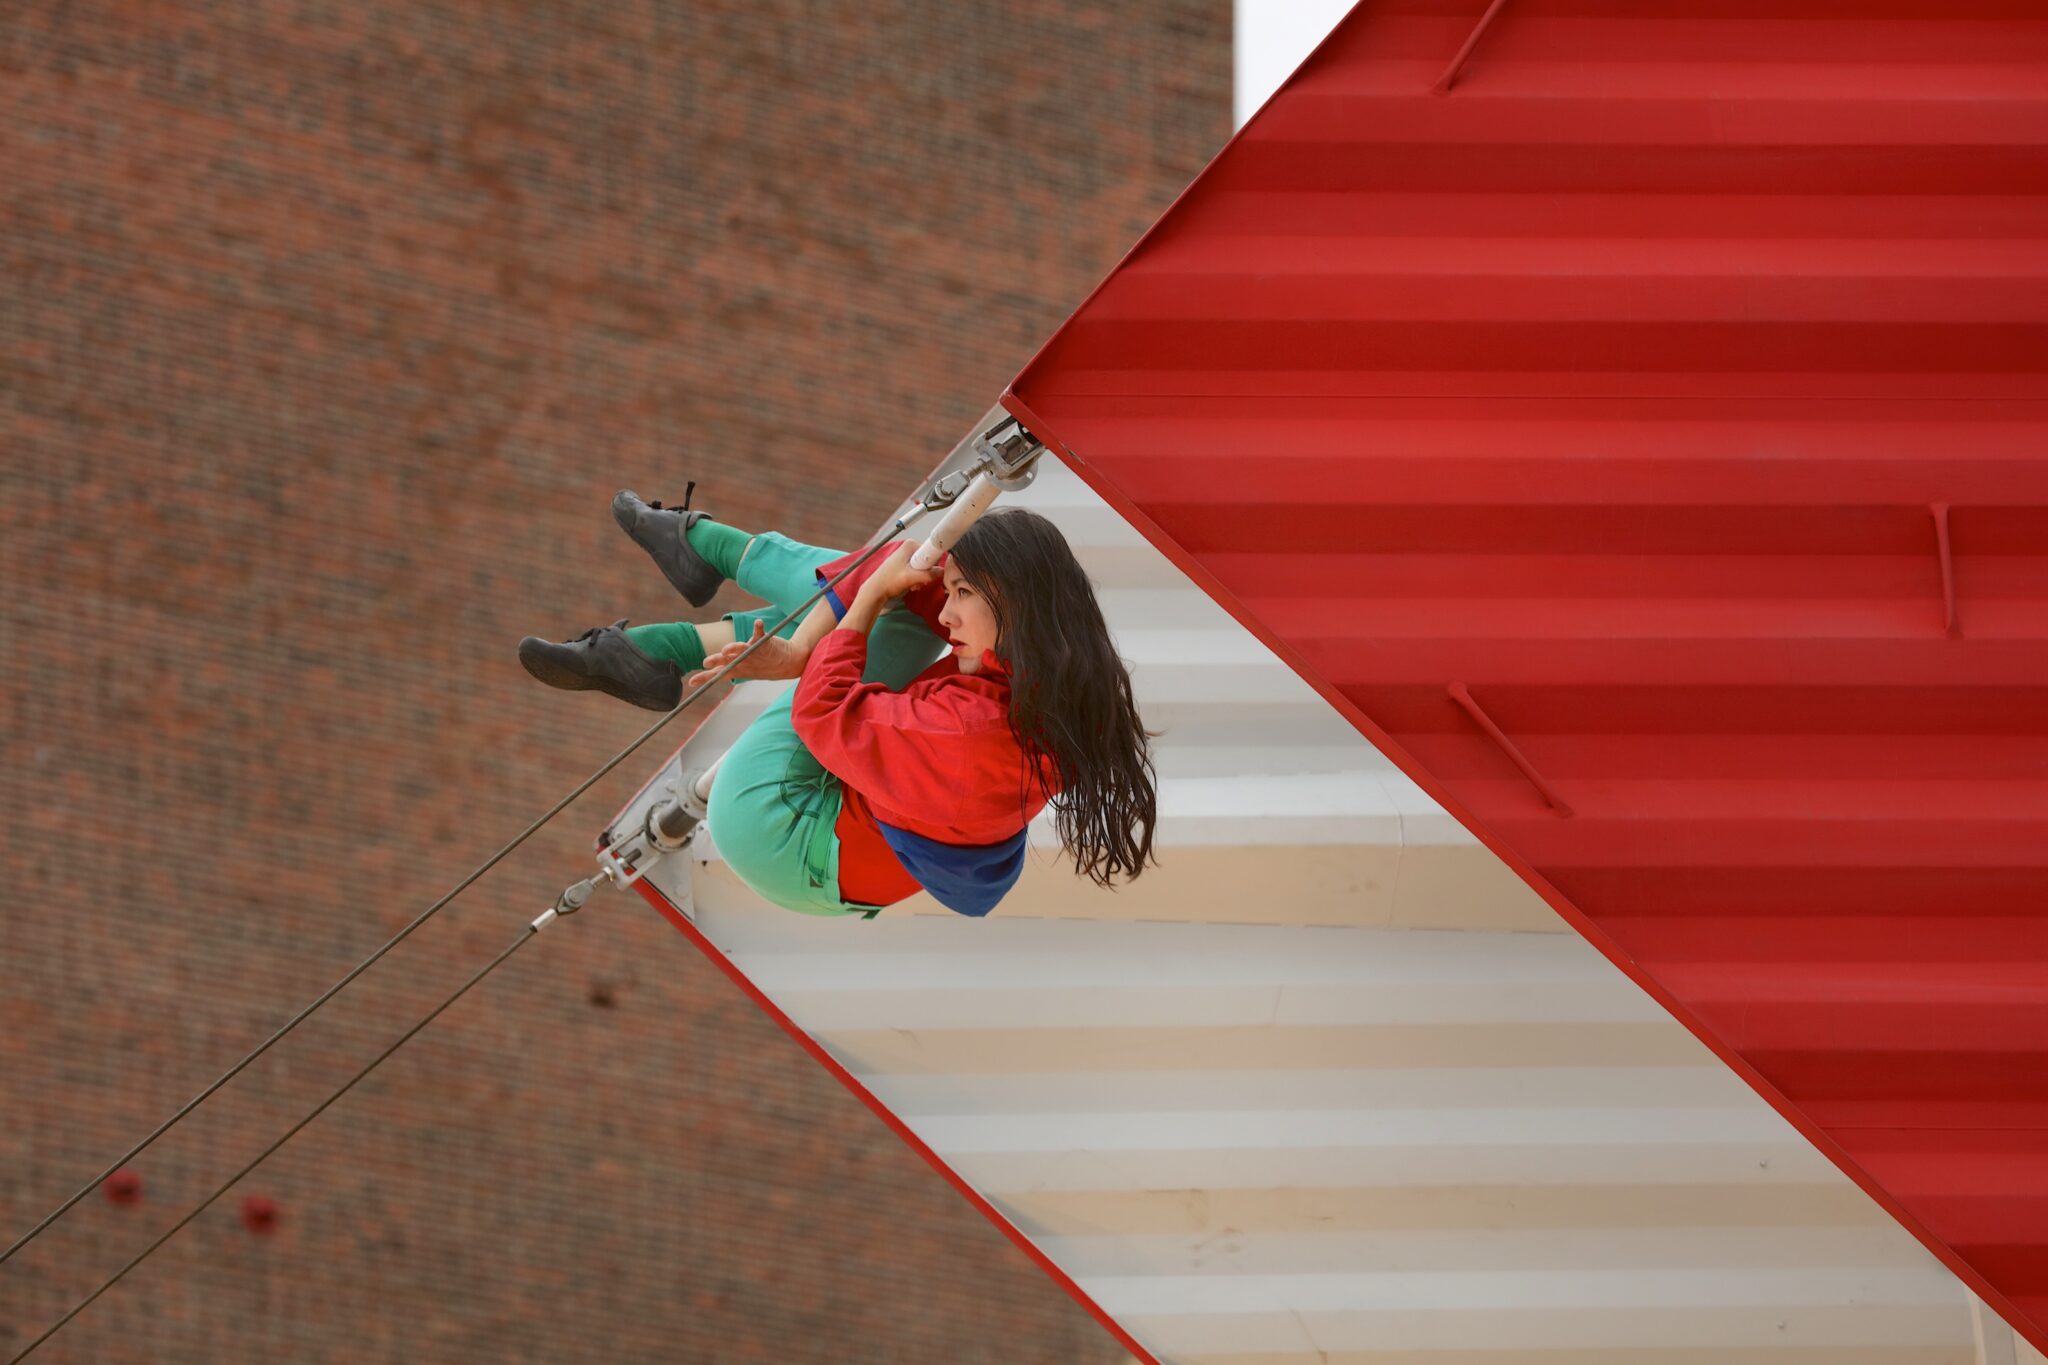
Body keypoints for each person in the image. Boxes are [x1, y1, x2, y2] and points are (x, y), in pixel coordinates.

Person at [518, 490, 1157, 918]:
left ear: (1016, 601)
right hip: (836, 866)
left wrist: (855, 610)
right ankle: (668, 621)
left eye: (965, 594)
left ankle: (691, 579)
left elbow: (824, 711)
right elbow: (920, 591)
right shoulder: (1044, 691)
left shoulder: (967, 731)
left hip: (781, 829)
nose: (950, 612)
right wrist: (861, 607)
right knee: (903, 584)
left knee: (893, 599)